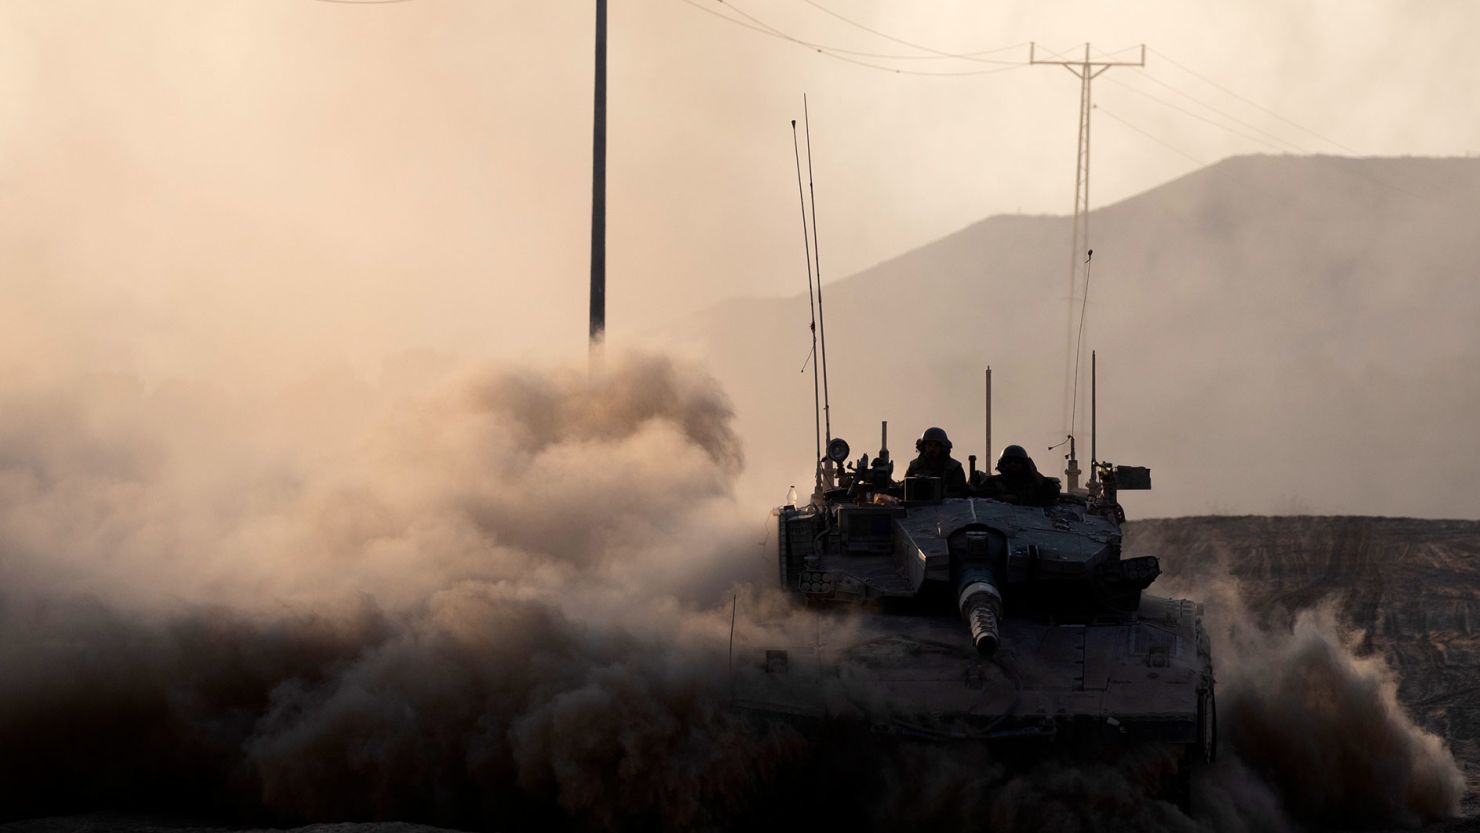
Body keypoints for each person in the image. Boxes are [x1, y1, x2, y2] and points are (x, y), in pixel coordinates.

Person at [976, 444, 1061, 506]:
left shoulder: (1033, 483)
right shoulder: (993, 482)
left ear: (1025, 464)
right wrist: (1003, 497)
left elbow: (1053, 493)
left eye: (1017, 461)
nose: (1013, 464)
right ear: (1002, 464)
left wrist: (1036, 474)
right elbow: (980, 496)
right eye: (1008, 461)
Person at [904, 426, 968, 497]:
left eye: (936, 445)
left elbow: (960, 495)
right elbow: (904, 491)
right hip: (918, 507)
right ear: (924, 447)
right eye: (929, 445)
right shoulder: (914, 467)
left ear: (943, 447)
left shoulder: (954, 468)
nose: (932, 448)